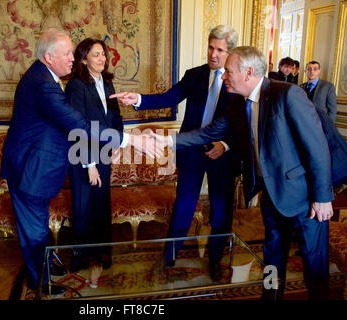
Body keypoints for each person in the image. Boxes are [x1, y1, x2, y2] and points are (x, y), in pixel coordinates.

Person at [153, 46, 334, 300]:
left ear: (248, 72)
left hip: (305, 199)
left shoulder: (288, 94)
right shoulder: (238, 102)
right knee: (272, 261)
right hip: (271, 197)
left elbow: (317, 146)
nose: (223, 76)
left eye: (228, 71)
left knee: (314, 268)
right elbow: (209, 132)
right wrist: (166, 142)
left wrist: (323, 197)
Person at [0, 28, 150, 296]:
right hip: (30, 171)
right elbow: (79, 124)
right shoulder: (44, 84)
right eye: (68, 53)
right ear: (49, 57)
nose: (73, 58)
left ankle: (45, 267)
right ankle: (41, 285)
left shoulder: (45, 77)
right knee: (34, 232)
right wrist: (129, 140)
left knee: (39, 226)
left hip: (36, 169)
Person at [111, 25, 241, 281]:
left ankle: (215, 258)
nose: (213, 54)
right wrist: (138, 99)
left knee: (221, 209)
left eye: (220, 50)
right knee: (183, 205)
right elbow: (168, 98)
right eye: (210, 47)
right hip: (192, 150)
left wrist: (225, 144)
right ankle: (169, 256)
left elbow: (242, 121)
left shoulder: (237, 78)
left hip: (222, 154)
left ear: (230, 52)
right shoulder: (194, 75)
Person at [64, 38, 124, 284]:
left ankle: (103, 251)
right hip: (82, 155)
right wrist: (89, 165)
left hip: (104, 152)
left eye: (103, 54)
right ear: (84, 58)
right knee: (82, 206)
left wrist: (117, 143)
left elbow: (115, 116)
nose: (102, 59)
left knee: (101, 203)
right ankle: (81, 256)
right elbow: (77, 127)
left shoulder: (107, 82)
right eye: (96, 54)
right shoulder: (76, 86)